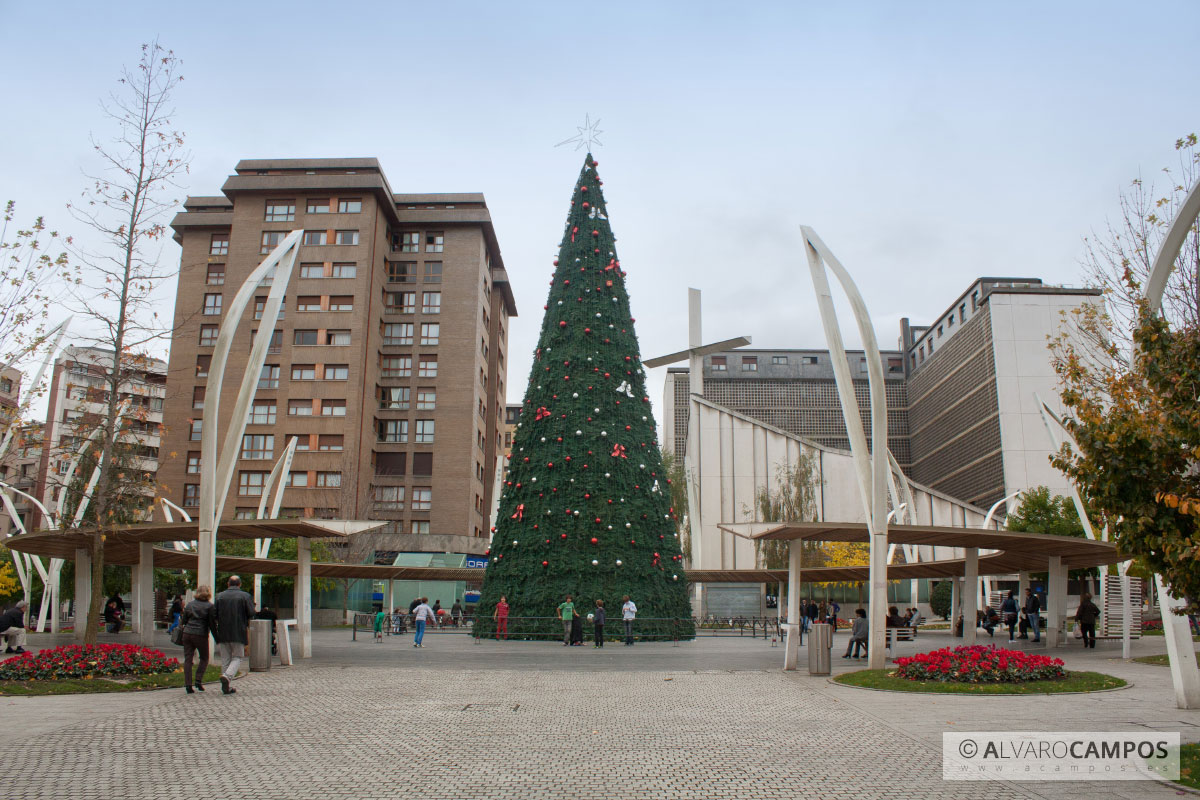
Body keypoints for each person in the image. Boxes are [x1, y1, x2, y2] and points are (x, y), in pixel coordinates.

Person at [214, 575, 254, 694]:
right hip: (238, 630)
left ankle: (226, 686)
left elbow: (214, 614)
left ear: (228, 584)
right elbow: (251, 612)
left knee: (225, 658)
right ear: (239, 584)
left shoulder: (219, 596)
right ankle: (227, 675)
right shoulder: (245, 596)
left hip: (223, 631)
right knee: (238, 656)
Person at [180, 586, 217, 694]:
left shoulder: (190, 604)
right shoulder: (210, 606)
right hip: (200, 634)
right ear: (208, 593)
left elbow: (184, 620)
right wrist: (217, 637)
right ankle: (198, 680)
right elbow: (212, 624)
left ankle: (188, 684)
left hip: (187, 634)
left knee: (188, 659)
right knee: (204, 657)